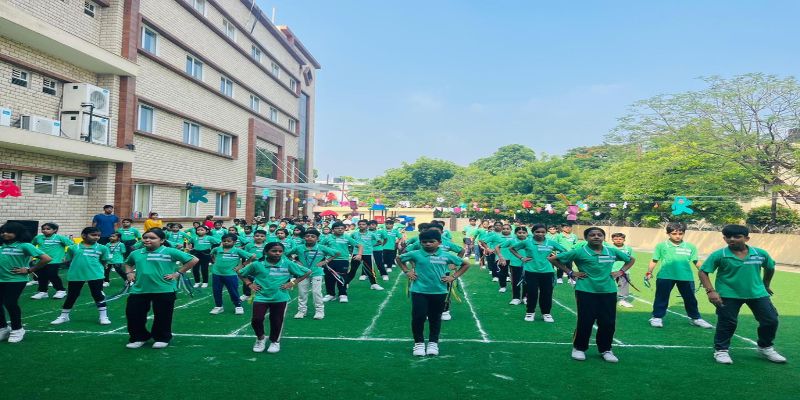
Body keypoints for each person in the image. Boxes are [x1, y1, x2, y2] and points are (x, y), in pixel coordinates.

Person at [698, 224, 786, 364]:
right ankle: (721, 350)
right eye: (728, 237)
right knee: (727, 322)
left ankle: (765, 348)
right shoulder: (720, 254)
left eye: (737, 236)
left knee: (770, 320)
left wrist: (766, 284)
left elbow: (770, 267)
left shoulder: (760, 253)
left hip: (757, 293)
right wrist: (710, 291)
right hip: (728, 294)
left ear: (747, 238)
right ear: (724, 238)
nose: (732, 239)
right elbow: (703, 271)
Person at [549, 227, 634, 363]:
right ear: (586, 238)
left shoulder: (611, 251)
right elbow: (553, 259)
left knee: (608, 322)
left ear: (604, 237)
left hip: (608, 291)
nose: (596, 237)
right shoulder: (579, 251)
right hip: (585, 290)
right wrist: (571, 272)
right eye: (592, 235)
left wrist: (621, 271)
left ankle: (606, 349)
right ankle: (579, 348)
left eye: (599, 235)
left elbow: (631, 260)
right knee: (586, 320)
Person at [397, 230, 470, 357]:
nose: (428, 244)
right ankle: (419, 343)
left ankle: (433, 343)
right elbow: (399, 259)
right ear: (420, 242)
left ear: (439, 242)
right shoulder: (415, 254)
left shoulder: (446, 255)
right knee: (418, 317)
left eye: (431, 241)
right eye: (424, 242)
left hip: (439, 291)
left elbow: (465, 264)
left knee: (435, 318)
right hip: (419, 291)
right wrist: (407, 271)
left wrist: (453, 276)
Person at [123, 228, 199, 349]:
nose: (147, 240)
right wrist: (129, 273)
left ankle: (162, 337)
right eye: (145, 237)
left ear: (162, 240)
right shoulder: (136, 253)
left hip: (164, 289)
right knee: (134, 314)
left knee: (163, 315)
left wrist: (177, 273)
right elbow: (128, 263)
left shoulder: (169, 251)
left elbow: (193, 259)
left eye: (152, 238)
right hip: (140, 289)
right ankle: (139, 337)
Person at [238, 242, 311, 353]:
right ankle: (260, 338)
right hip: (261, 296)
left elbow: (307, 272)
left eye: (280, 251)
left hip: (280, 297)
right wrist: (249, 284)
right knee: (256, 319)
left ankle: (274, 341)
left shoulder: (287, 263)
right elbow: (241, 273)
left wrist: (292, 283)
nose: (277, 253)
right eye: (274, 251)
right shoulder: (257, 264)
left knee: (276, 320)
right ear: (266, 252)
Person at [646, 222, 712, 329]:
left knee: (690, 299)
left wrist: (704, 272)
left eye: (680, 234)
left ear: (684, 233)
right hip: (665, 276)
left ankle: (695, 318)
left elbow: (696, 261)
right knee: (661, 298)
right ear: (668, 234)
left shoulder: (690, 247)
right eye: (674, 234)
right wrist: (649, 272)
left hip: (686, 277)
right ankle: (657, 317)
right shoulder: (661, 246)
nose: (677, 236)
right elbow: (654, 260)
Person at [0, 222, 52, 343]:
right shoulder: (1, 245)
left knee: (10, 303)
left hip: (16, 280)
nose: (4, 234)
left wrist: (29, 270)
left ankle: (17, 329)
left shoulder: (25, 246)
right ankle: (3, 328)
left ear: (18, 233)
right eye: (2, 232)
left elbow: (46, 258)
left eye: (9, 232)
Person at [50, 227, 112, 325]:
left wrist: (102, 267)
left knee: (97, 294)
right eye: (93, 235)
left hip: (95, 275)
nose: (96, 237)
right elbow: (68, 259)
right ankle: (64, 316)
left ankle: (103, 316)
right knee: (72, 295)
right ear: (83, 235)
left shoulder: (103, 248)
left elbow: (104, 260)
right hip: (76, 275)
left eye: (98, 235)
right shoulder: (73, 248)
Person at [506, 225, 567, 322]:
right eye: (537, 232)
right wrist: (522, 258)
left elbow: (565, 251)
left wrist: (554, 258)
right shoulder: (527, 242)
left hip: (547, 272)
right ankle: (530, 312)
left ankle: (546, 313)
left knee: (547, 293)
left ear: (546, 233)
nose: (540, 234)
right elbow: (512, 248)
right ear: (533, 232)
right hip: (531, 271)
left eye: (543, 232)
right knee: (532, 293)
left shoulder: (551, 242)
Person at [285, 229, 340, 320]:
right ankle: (302, 311)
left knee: (316, 292)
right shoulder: (299, 248)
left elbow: (337, 253)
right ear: (304, 238)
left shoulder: (321, 247)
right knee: (302, 292)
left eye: (313, 236)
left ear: (317, 239)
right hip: (302, 273)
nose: (309, 238)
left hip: (317, 272)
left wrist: (326, 261)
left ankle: (319, 311)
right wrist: (295, 261)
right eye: (307, 236)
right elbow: (286, 254)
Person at [209, 233, 255, 315]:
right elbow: (212, 254)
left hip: (230, 274)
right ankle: (219, 306)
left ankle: (238, 306)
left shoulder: (237, 250)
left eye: (228, 241)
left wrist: (241, 266)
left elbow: (252, 256)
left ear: (234, 242)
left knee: (233, 291)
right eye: (224, 241)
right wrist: (214, 261)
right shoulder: (217, 249)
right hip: (217, 274)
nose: (226, 242)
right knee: (216, 291)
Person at [320, 222, 362, 302]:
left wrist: (359, 254)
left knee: (342, 277)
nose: (340, 230)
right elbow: (319, 246)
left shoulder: (347, 237)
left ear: (344, 229)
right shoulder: (328, 237)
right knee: (329, 277)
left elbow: (359, 245)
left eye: (342, 228)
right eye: (337, 228)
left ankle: (343, 294)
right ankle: (330, 294)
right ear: (332, 230)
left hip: (343, 260)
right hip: (329, 260)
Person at [30, 222, 70, 299]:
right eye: (43, 229)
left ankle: (61, 290)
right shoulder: (38, 237)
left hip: (54, 260)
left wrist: (66, 256)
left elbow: (72, 247)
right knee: (41, 276)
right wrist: (32, 255)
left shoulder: (60, 237)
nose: (45, 230)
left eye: (48, 229)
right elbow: (31, 246)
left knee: (52, 274)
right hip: (41, 260)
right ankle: (43, 292)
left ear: (55, 230)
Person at [347, 220, 384, 290]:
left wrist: (372, 246)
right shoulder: (354, 233)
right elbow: (348, 241)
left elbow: (380, 242)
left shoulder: (371, 234)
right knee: (353, 270)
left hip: (368, 254)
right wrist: (353, 246)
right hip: (356, 254)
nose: (361, 225)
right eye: (360, 224)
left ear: (367, 226)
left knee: (370, 270)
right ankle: (346, 283)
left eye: (363, 224)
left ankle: (374, 284)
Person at [610, 233, 634, 308]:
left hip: (624, 271)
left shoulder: (628, 248)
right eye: (615, 239)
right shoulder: (608, 248)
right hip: (611, 270)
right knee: (609, 285)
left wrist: (624, 270)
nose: (618, 240)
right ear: (612, 240)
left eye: (620, 239)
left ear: (624, 240)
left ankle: (622, 300)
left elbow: (631, 259)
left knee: (623, 286)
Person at [492, 223, 515, 294]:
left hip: (513, 258)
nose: (505, 230)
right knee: (503, 272)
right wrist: (499, 256)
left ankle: (514, 287)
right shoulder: (498, 237)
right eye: (504, 229)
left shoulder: (514, 237)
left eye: (507, 229)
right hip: (502, 258)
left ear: (511, 229)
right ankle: (503, 286)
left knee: (514, 273)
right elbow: (496, 247)